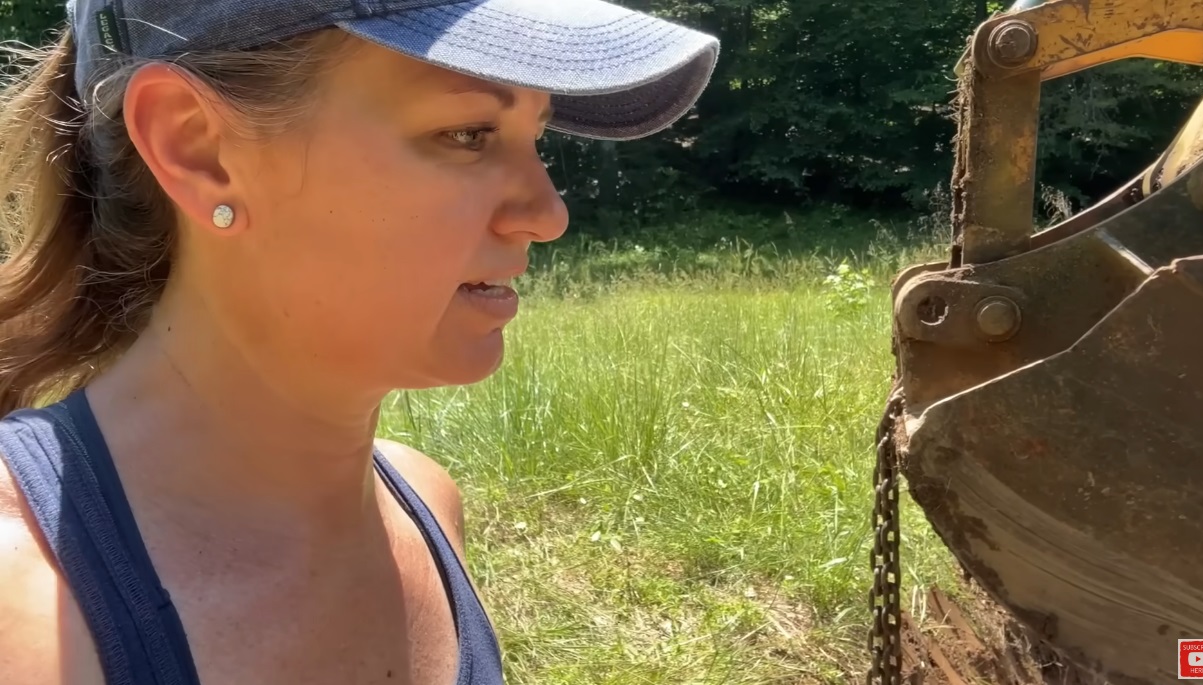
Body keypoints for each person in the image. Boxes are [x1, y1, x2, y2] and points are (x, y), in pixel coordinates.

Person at [0, 0, 719, 682]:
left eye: (537, 137)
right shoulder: (20, 606)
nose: (548, 213)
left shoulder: (427, 503)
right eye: (468, 133)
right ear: (197, 146)